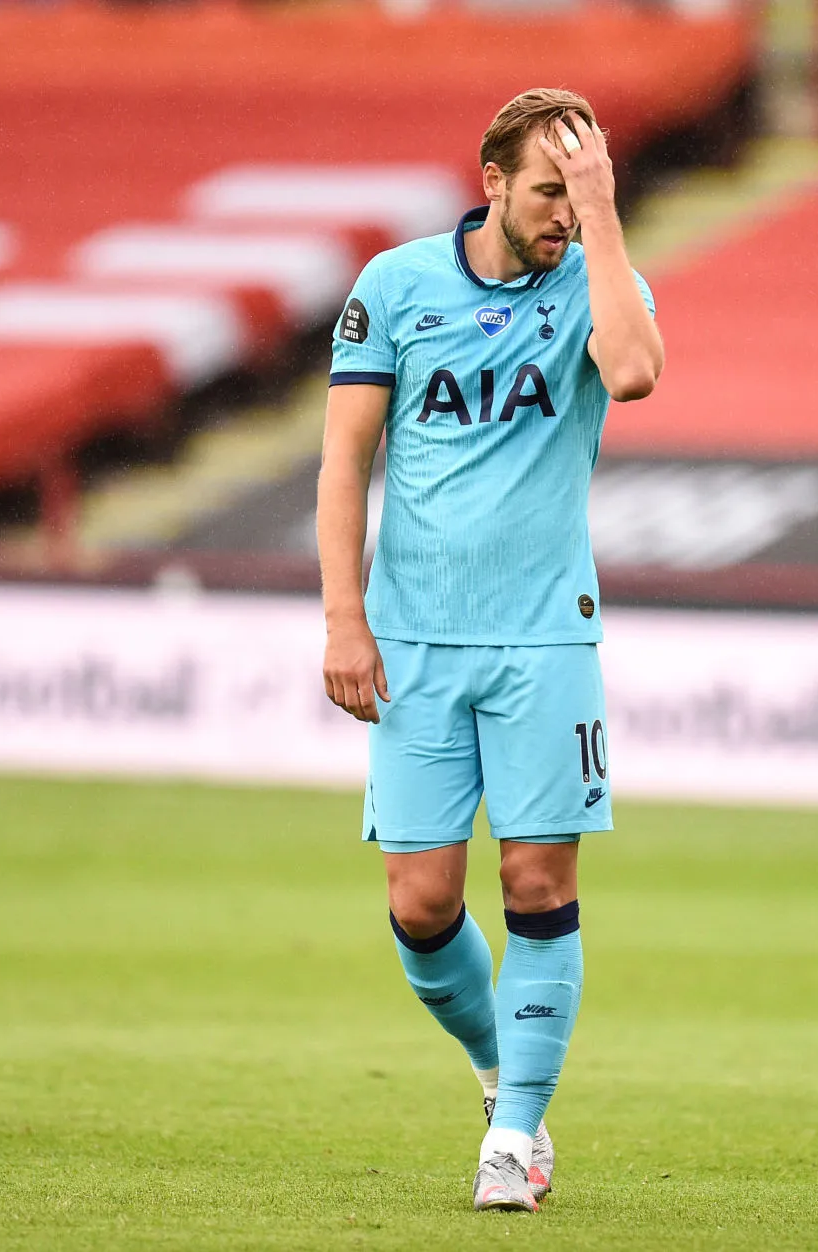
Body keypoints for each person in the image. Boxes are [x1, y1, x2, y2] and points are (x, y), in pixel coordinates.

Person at [316, 88, 663, 1214]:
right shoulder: (394, 288)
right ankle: (497, 1072)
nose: (566, 211)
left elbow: (635, 374)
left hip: (542, 637)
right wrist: (340, 616)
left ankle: (512, 1136)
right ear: (492, 182)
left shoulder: (599, 283)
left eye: (585, 188)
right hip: (412, 638)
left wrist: (603, 222)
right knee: (420, 903)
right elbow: (343, 463)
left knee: (535, 879)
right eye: (551, 190)